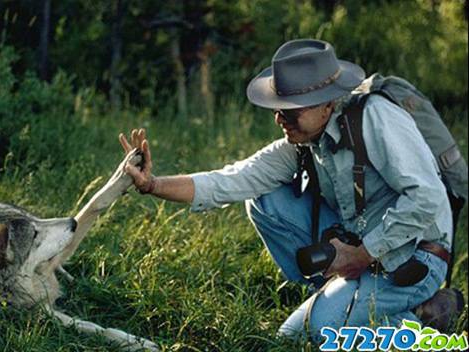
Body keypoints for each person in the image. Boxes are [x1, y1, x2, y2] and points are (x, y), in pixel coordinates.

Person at [119, 39, 462, 341]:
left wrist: (364, 253)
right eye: (277, 108)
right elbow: (229, 180)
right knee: (264, 198)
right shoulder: (302, 143)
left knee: (311, 334)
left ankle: (424, 317)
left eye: (291, 109)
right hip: (362, 248)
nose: (280, 118)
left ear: (327, 103)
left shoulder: (376, 118)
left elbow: (428, 199)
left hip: (415, 256)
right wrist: (153, 184)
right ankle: (335, 292)